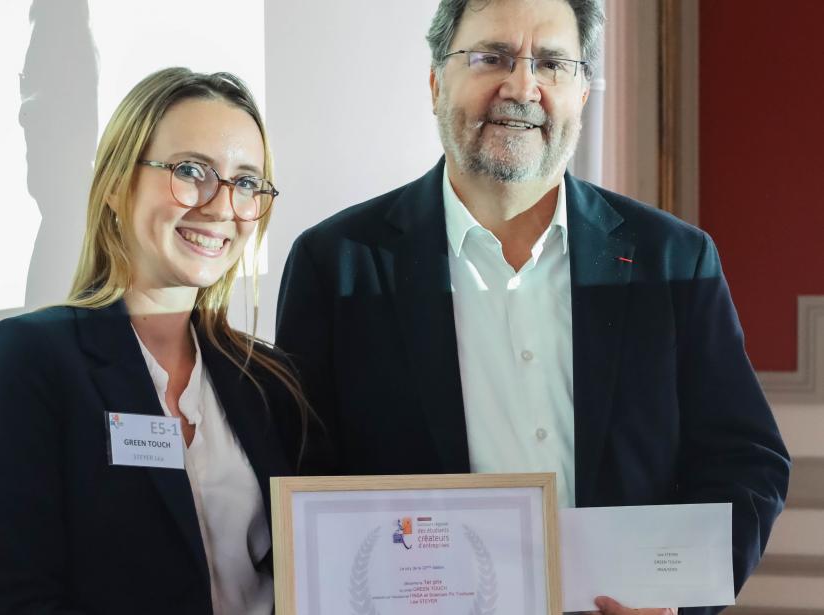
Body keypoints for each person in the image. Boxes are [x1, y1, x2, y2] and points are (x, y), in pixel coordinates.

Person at [275, 1, 790, 614]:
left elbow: (746, 461)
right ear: (436, 82)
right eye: (492, 57)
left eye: (551, 64)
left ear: (582, 93)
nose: (522, 87)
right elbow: (303, 479)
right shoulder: (335, 264)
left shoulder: (674, 261)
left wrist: (680, 601)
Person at [0, 67, 307, 615]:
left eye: (245, 182)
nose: (220, 207)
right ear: (117, 185)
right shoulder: (30, 362)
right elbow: (12, 597)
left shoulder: (268, 380)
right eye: (192, 171)